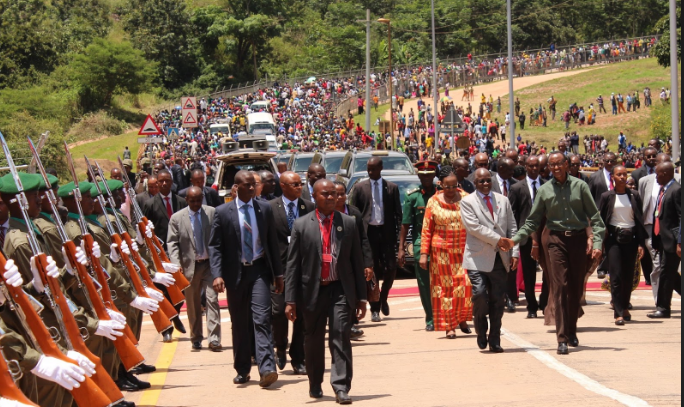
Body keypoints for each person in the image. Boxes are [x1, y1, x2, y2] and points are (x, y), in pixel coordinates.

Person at [507, 153, 605, 355]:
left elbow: (594, 217)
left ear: (567, 164)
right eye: (552, 165)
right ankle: (561, 338)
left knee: (576, 288)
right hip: (554, 241)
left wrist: (596, 242)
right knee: (560, 286)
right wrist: (514, 240)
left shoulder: (580, 186)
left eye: (559, 164)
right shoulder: (544, 190)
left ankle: (571, 329)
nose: (556, 168)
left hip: (577, 240)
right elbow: (532, 221)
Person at [284, 179, 367, 404]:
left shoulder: (348, 223)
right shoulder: (302, 225)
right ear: (315, 197)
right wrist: (290, 300)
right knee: (313, 339)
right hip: (312, 291)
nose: (331, 198)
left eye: (334, 194)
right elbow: (292, 265)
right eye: (325, 194)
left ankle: (341, 386)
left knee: (340, 335)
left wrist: (361, 297)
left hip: (340, 289)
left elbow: (356, 262)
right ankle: (315, 382)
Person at [209, 170, 283, 388]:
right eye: (247, 185)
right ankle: (242, 369)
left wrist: (278, 274)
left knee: (262, 318)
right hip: (235, 275)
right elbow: (215, 246)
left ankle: (267, 367)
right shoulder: (222, 213)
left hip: (259, 270)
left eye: (254, 185)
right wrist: (217, 274)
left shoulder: (264, 209)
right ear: (236, 187)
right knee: (240, 323)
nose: (252, 188)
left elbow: (272, 243)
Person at [461, 168, 519, 352]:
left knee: (497, 300)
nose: (485, 184)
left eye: (488, 180)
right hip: (477, 259)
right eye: (481, 181)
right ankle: (480, 328)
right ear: (475, 183)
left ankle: (495, 338)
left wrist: (514, 252)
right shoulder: (467, 202)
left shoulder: (503, 200)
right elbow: (474, 227)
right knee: (479, 294)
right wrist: (498, 240)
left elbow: (512, 227)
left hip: (500, 258)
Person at [418, 166, 473, 339]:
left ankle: (462, 318)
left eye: (453, 185)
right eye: (446, 186)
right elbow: (427, 229)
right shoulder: (433, 202)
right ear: (440, 184)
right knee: (446, 289)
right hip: (441, 254)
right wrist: (424, 254)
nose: (450, 190)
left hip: (464, 251)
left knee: (465, 286)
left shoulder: (466, 198)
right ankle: (449, 325)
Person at [268, 171, 315, 374]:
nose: (299, 187)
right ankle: (280, 345)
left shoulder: (309, 207)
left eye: (300, 184)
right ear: (283, 186)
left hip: (303, 269)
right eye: (294, 184)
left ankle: (298, 357)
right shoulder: (270, 208)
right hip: (279, 269)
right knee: (278, 312)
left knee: (302, 315)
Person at [166, 186, 221, 351]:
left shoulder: (211, 213)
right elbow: (172, 243)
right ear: (187, 200)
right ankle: (196, 337)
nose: (196, 204)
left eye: (199, 200)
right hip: (190, 266)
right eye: (193, 201)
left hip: (209, 265)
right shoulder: (177, 218)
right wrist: (176, 265)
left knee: (212, 300)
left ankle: (214, 339)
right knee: (193, 304)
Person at [350, 157, 402, 323]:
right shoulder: (359, 188)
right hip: (368, 234)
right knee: (372, 272)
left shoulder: (391, 188)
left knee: (391, 268)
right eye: (368, 169)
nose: (370, 172)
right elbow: (353, 212)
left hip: (386, 234)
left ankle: (384, 296)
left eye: (373, 169)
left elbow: (397, 214)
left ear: (380, 168)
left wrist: (400, 239)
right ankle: (375, 308)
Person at [597, 166, 647, 325]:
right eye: (619, 174)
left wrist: (641, 243)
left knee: (628, 276)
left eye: (625, 174)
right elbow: (601, 219)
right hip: (613, 240)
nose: (622, 177)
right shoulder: (607, 196)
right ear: (613, 177)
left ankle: (625, 306)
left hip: (631, 239)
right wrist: (600, 242)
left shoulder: (634, 195)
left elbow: (639, 220)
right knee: (616, 276)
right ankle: (618, 313)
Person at [142, 169, 188, 337]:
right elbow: (145, 229)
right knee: (163, 290)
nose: (163, 184)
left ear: (171, 182)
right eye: (160, 181)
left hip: (178, 251)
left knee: (181, 289)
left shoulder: (181, 202)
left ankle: (175, 316)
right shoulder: (150, 204)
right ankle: (167, 328)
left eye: (167, 181)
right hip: (160, 253)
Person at [399, 160, 438, 331]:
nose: (427, 179)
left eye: (430, 176)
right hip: (420, 244)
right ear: (419, 176)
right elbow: (405, 224)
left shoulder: (442, 194)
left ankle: (445, 315)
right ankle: (430, 318)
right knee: (424, 284)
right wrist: (401, 248)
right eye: (423, 176)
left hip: (442, 243)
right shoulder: (412, 196)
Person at [507, 155, 546, 316]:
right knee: (529, 273)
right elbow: (513, 214)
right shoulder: (517, 188)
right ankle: (531, 305)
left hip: (545, 234)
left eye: (536, 166)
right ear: (526, 167)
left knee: (549, 272)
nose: (534, 169)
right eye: (531, 166)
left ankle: (544, 302)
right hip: (526, 237)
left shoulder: (548, 185)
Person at [647, 162, 681, 319]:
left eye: (658, 174)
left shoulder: (676, 190)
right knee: (670, 274)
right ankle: (662, 306)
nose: (656, 176)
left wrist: (680, 242)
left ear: (667, 174)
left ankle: (663, 308)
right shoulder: (663, 190)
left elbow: (681, 218)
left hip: (672, 241)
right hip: (662, 239)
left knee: (666, 274)